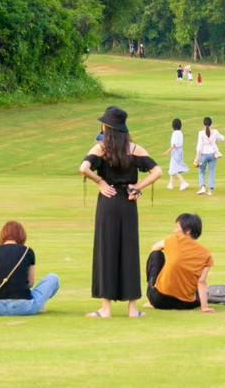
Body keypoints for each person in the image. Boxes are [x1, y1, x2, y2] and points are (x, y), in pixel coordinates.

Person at [79, 106, 162, 318]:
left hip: (107, 201)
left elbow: (84, 168)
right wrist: (137, 187)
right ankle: (132, 308)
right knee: (129, 251)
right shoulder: (134, 149)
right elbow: (157, 171)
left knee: (106, 250)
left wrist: (100, 181)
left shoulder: (101, 148)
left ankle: (105, 309)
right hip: (127, 202)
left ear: (106, 127)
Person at [0, 221, 60, 316]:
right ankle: (40, 304)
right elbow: (30, 283)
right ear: (22, 236)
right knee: (53, 278)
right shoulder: (27, 251)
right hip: (24, 307)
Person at [144, 212, 215, 313]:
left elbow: (154, 247)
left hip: (160, 300)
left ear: (188, 230)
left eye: (177, 227)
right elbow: (201, 282)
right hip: (186, 304)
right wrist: (204, 307)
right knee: (200, 293)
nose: (174, 231)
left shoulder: (173, 240)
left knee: (156, 254)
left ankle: (150, 301)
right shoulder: (206, 253)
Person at [196, 116, 224, 196]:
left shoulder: (201, 133)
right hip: (213, 155)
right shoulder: (215, 132)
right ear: (211, 123)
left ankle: (202, 187)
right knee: (211, 172)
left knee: (201, 171)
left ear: (203, 124)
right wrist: (215, 140)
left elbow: (199, 146)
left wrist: (196, 158)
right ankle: (210, 191)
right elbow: (222, 138)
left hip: (203, 155)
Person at [166, 118, 190, 192]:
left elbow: (174, 145)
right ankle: (171, 183)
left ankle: (183, 182)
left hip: (175, 151)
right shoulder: (180, 133)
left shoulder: (175, 134)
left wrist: (167, 151)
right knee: (172, 166)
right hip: (179, 151)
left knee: (175, 167)